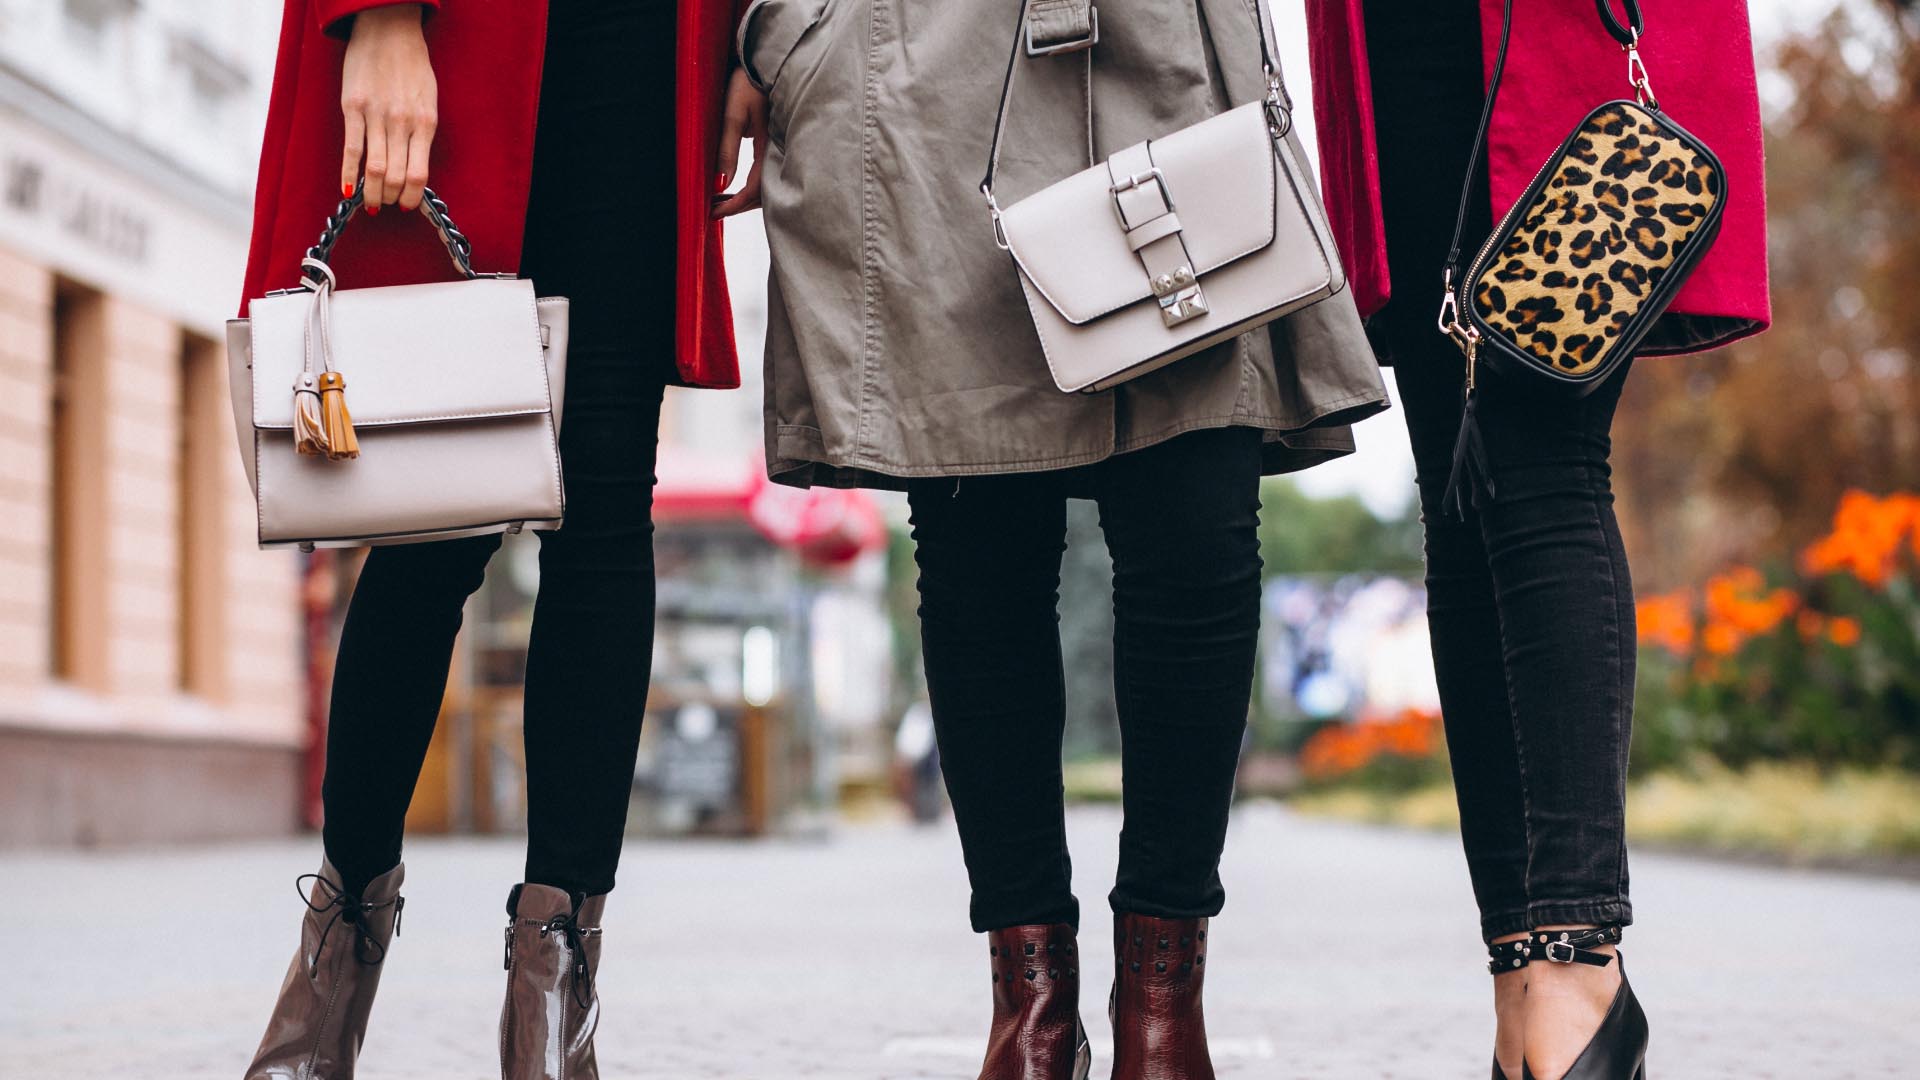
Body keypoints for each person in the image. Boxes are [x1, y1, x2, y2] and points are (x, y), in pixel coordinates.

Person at [729, 0, 1389, 1075]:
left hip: (1160, 42)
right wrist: (761, 27)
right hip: (912, 57)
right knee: (977, 537)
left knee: (1198, 529)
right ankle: (1029, 1001)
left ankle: (1162, 1000)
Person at [239, 2, 754, 1076]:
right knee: (433, 516)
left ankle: (552, 997)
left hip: (652, 54)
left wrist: (760, 41)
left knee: (607, 510)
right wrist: (376, 14)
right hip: (471, 34)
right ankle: (333, 969)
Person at [1304, 1, 1771, 1077]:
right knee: (1460, 493)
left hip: (1554, 28)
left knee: (1538, 450)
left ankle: (1577, 961)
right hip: (1397, 37)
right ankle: (1521, 976)